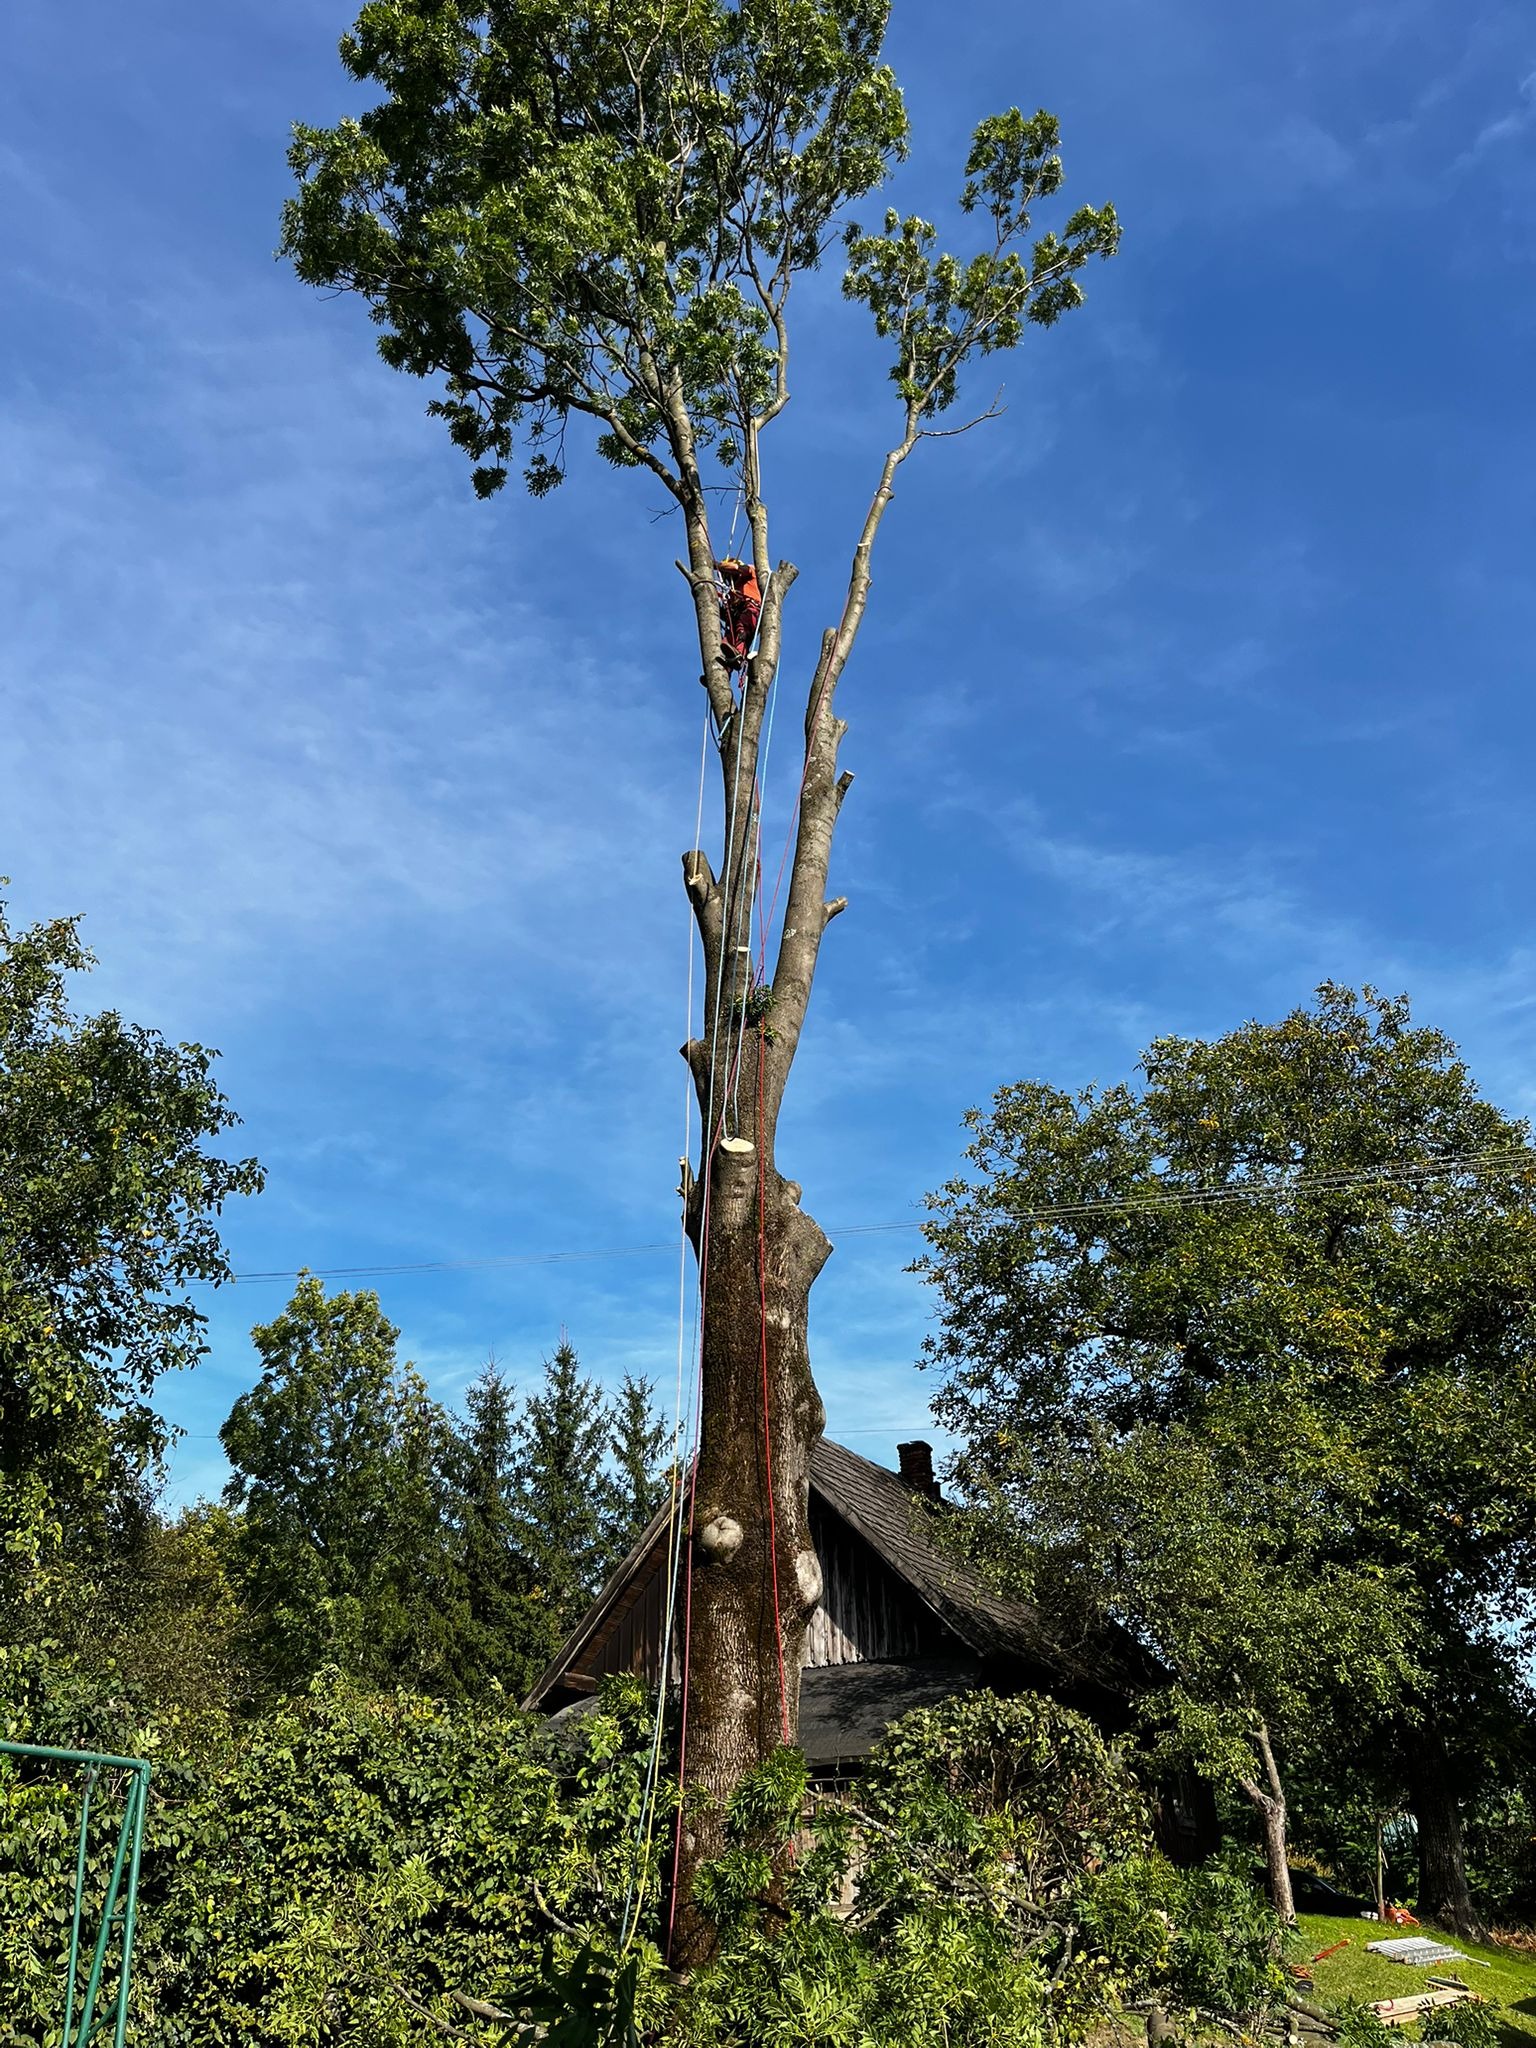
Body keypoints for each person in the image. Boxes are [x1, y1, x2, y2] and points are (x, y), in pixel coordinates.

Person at [715, 556, 761, 676]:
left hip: (751, 610)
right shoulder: (733, 592)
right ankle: (722, 673)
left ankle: (738, 655)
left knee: (742, 628)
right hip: (738, 617)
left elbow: (737, 568)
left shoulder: (750, 571)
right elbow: (727, 615)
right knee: (727, 640)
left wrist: (718, 565)